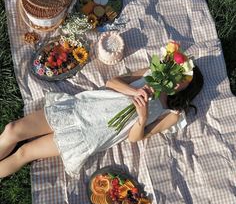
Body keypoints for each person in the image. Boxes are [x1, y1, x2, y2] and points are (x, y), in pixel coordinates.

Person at [0, 66, 203, 178]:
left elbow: (135, 138)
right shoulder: (151, 73)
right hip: (82, 108)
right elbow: (112, 82)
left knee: (24, 153)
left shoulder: (171, 113)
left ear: (188, 88)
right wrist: (136, 92)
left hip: (90, 135)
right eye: (179, 71)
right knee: (12, 130)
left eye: (185, 78)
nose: (178, 78)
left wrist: (142, 116)